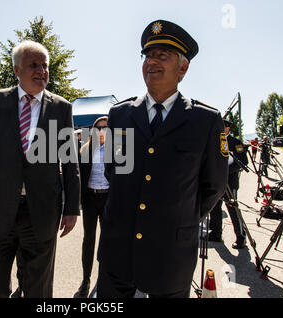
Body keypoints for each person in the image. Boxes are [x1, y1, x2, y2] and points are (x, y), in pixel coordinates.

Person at [96, 19, 228, 298]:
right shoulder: (120, 115)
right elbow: (113, 172)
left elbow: (213, 187)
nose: (151, 62)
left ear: (183, 67)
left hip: (171, 255)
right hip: (117, 250)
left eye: (162, 56)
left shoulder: (205, 121)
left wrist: (174, 218)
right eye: (147, 55)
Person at [0, 40, 80, 298]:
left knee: (39, 289)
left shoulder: (62, 108)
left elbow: (70, 163)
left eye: (45, 65)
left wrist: (71, 209)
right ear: (17, 70)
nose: (41, 71)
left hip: (42, 213)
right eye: (33, 65)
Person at [74, 116, 109, 298]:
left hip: (108, 200)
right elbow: (77, 176)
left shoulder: (117, 150)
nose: (101, 131)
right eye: (98, 128)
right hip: (90, 199)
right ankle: (85, 279)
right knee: (88, 240)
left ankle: (103, 279)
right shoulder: (85, 150)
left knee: (106, 241)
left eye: (105, 127)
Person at [209, 119, 249, 249]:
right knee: (214, 208)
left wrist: (224, 170)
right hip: (215, 181)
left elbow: (242, 161)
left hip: (229, 182)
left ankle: (240, 237)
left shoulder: (235, 142)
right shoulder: (214, 141)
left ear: (228, 128)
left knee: (232, 208)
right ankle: (216, 233)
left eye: (223, 126)